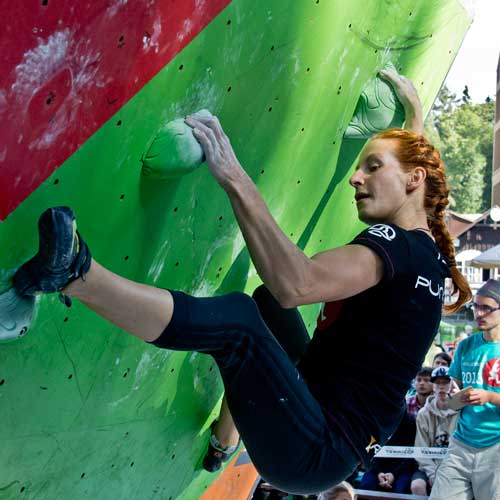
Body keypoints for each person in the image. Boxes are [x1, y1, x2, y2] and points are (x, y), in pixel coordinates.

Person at [12, 72, 471, 495]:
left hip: (313, 451)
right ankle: (224, 438)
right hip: (323, 418)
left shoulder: (396, 245)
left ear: (414, 180)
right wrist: (414, 117)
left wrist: (230, 172)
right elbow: (420, 189)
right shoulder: (428, 251)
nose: (356, 177)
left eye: (372, 167)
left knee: (240, 324)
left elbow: (298, 282)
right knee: (268, 304)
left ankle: (74, 272)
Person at [430, 279, 500, 500]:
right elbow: (451, 401)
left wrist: (489, 396)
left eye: (486, 308)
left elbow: (487, 396)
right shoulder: (465, 346)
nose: (479, 313)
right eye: (476, 306)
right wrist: (456, 398)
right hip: (461, 443)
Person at [410, 366, 458, 496]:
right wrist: (433, 473)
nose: (441, 387)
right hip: (429, 466)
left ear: (452, 383)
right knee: (417, 486)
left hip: (455, 466)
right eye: (437, 383)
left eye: (445, 382)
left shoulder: (461, 412)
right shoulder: (423, 414)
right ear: (433, 385)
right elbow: (420, 449)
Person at [358, 409, 417, 494]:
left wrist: (394, 474)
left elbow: (411, 456)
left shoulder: (410, 422)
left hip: (402, 470)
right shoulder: (374, 421)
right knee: (366, 485)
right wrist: (379, 472)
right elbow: (370, 451)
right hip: (377, 469)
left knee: (401, 489)